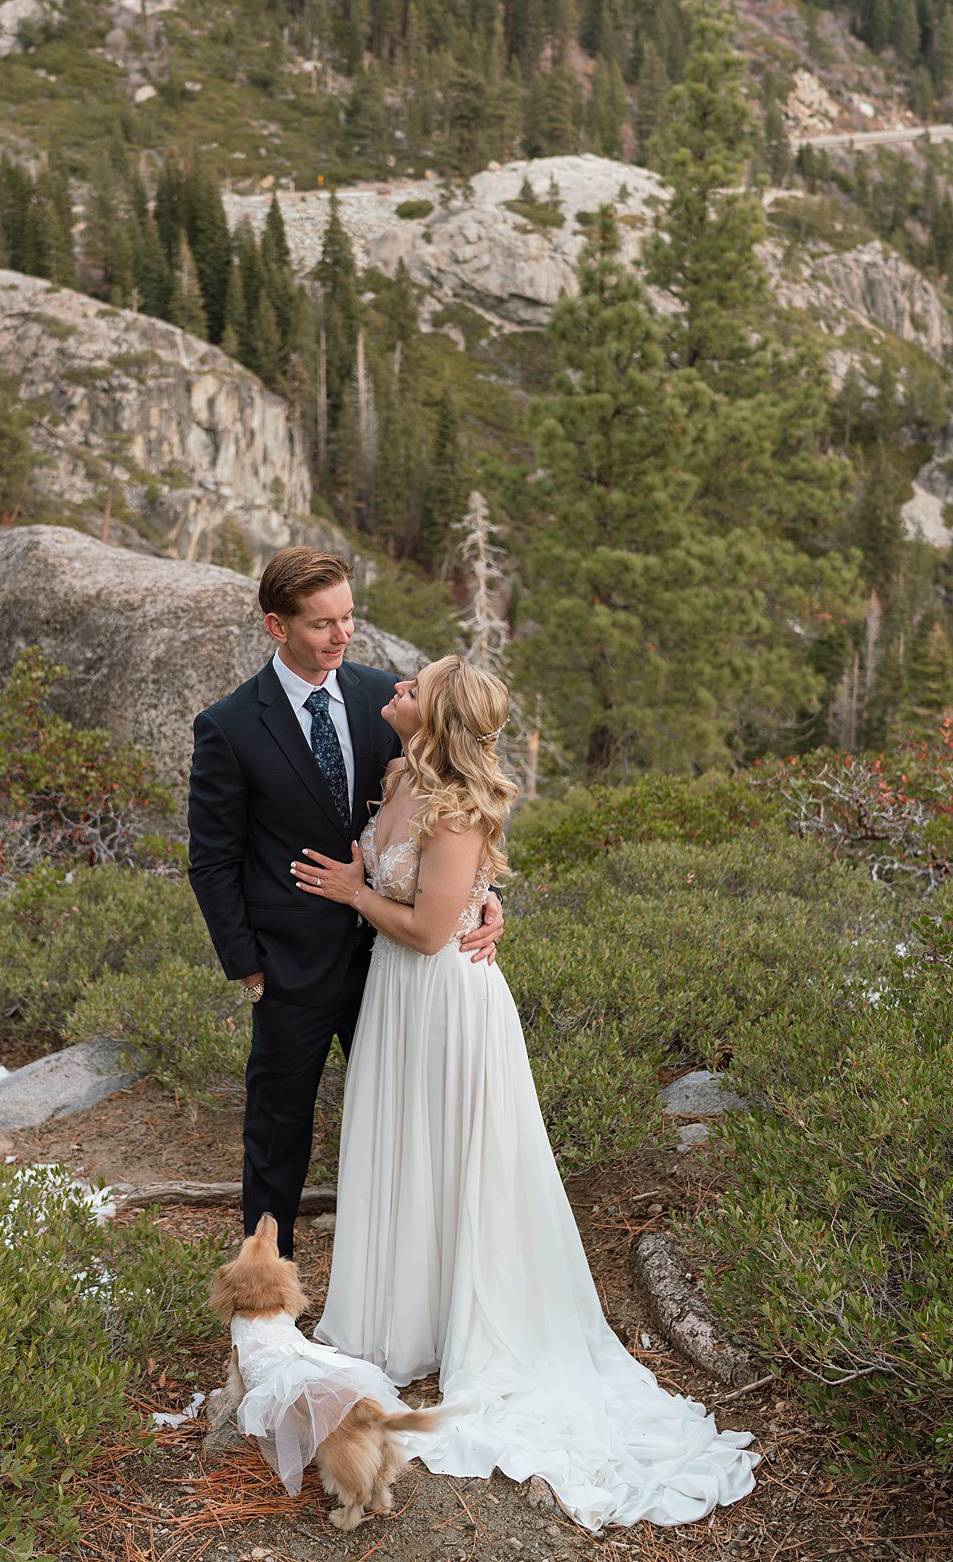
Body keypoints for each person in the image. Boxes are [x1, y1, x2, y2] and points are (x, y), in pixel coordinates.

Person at [299, 655, 761, 1534]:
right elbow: (448, 895)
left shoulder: (459, 807)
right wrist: (479, 894)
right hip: (396, 1001)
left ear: (432, 715)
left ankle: (470, 1316)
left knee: (460, 1160)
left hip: (442, 1001)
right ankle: (408, 1315)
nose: (393, 684)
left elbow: (435, 930)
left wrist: (360, 890)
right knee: (413, 1152)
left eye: (413, 683)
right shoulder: (398, 775)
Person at [187, 549, 504, 1262]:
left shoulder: (378, 698)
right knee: (277, 1133)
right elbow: (212, 860)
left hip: (395, 969)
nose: (342, 636)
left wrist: (483, 900)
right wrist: (247, 964)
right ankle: (265, 1300)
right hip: (290, 968)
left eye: (348, 617)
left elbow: (450, 803)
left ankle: (410, 1276)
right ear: (277, 625)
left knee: (407, 1129)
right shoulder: (230, 726)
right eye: (323, 623)